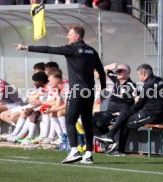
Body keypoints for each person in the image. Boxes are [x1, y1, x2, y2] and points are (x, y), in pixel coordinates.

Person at [13, 25, 106, 164]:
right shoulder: (92, 51)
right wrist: (103, 90)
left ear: (77, 36)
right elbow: (101, 71)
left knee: (69, 120)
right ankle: (88, 154)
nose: (67, 37)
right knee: (86, 122)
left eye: (69, 34)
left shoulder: (72, 49)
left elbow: (49, 49)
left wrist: (26, 47)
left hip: (77, 91)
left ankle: (74, 151)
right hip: (90, 91)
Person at [97, 64, 163, 156]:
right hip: (151, 112)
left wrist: (128, 111)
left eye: (139, 75)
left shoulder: (146, 86)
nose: (138, 77)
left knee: (125, 120)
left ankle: (115, 144)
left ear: (143, 74)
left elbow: (139, 104)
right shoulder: (158, 79)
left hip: (152, 115)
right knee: (124, 114)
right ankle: (113, 141)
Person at [92, 63, 136, 137]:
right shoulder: (116, 79)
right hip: (109, 112)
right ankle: (106, 140)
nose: (118, 72)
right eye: (117, 70)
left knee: (100, 123)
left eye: (121, 71)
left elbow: (138, 101)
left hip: (119, 114)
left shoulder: (131, 85)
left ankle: (109, 138)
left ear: (128, 73)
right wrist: (109, 67)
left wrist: (124, 113)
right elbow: (99, 70)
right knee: (91, 121)